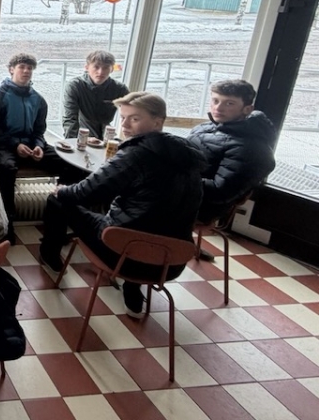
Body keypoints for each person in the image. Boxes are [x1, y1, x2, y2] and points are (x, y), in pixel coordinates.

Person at [38, 92, 204, 318]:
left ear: (157, 122)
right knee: (150, 220)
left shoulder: (136, 153)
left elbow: (87, 192)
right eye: (123, 117)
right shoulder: (187, 157)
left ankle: (49, 255)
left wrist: (62, 190)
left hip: (123, 255)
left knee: (58, 200)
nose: (124, 125)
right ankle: (133, 291)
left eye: (134, 119)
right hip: (171, 262)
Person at [0, 53, 75, 242]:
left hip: (31, 144)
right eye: (22, 67)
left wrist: (38, 146)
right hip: (5, 145)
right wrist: (16, 145)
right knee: (6, 169)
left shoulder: (38, 99)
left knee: (68, 164)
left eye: (29, 68)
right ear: (11, 69)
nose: (26, 71)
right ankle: (7, 226)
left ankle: (57, 221)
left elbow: (39, 131)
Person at [187, 79, 277, 233]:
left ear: (247, 109)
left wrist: (172, 178)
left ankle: (166, 244)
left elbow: (219, 192)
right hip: (180, 192)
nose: (218, 108)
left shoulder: (252, 148)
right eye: (215, 101)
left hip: (199, 206)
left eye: (229, 103)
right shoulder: (206, 127)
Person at [62, 50, 129, 139]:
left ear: (112, 69)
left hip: (106, 135)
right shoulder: (75, 86)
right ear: (87, 67)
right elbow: (70, 119)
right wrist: (72, 142)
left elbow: (132, 113)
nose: (100, 72)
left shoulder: (120, 89)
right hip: (81, 134)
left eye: (105, 68)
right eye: (96, 67)